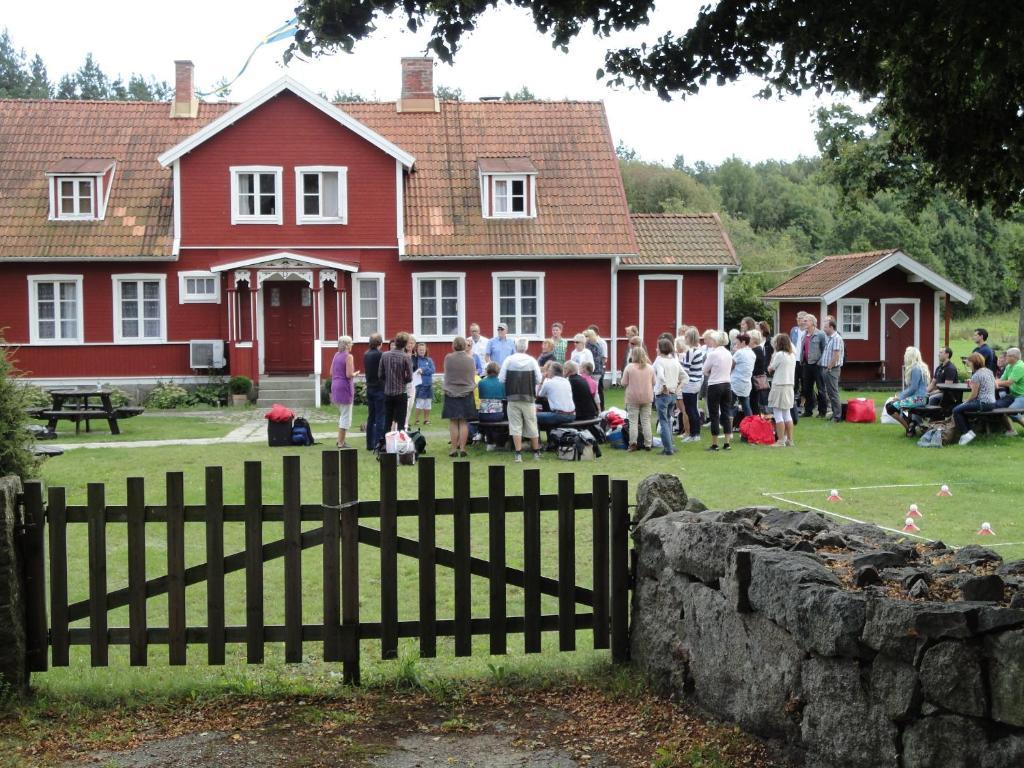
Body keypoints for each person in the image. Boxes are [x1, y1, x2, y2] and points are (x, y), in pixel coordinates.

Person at [498, 337, 544, 462]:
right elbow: (539, 379)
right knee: (531, 423)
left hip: (512, 397)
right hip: (528, 397)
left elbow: (501, 378)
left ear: (515, 346)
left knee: (515, 425)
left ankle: (518, 454)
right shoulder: (532, 361)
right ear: (526, 347)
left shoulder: (509, 360)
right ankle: (536, 452)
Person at [442, 337, 478, 457]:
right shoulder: (470, 359)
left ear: (453, 346)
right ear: (464, 346)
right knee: (463, 421)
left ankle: (453, 449)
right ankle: (462, 448)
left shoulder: (448, 358)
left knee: (453, 420)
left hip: (451, 391)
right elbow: (472, 376)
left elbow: (446, 372)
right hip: (466, 392)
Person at [884, 346, 931, 436]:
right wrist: (901, 396)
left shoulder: (915, 369)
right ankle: (911, 425)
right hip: (921, 398)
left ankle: (909, 428)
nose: (904, 356)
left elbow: (913, 388)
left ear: (910, 356)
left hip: (919, 399)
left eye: (906, 355)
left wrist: (899, 397)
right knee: (891, 406)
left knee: (890, 407)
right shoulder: (921, 367)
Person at [954, 352, 998, 445]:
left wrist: (965, 402)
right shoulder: (989, 371)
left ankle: (966, 433)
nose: (968, 364)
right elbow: (996, 386)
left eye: (969, 362)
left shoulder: (976, 375)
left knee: (956, 410)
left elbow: (973, 395)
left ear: (974, 362)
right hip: (992, 403)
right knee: (962, 410)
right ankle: (969, 432)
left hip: (983, 403)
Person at [702, 330, 734, 451]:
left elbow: (704, 370)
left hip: (715, 385)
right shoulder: (728, 353)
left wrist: (712, 372)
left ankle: (715, 444)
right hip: (727, 384)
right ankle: (727, 443)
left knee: (714, 413)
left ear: (716, 341)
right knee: (726, 412)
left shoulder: (713, 354)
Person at [620, 346, 656, 452]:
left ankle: (633, 444)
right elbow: (654, 382)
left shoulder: (629, 367)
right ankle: (648, 443)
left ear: (633, 355)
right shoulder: (650, 368)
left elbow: (623, 383)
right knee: (646, 421)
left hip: (632, 397)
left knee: (633, 422)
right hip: (647, 396)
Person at [653, 338, 683, 455]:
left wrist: (664, 386)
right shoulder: (674, 361)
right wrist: (677, 388)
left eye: (657, 347)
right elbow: (685, 377)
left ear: (661, 349)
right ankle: (671, 445)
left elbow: (660, 376)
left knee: (664, 421)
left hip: (663, 394)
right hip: (673, 394)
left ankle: (668, 449)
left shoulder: (660, 361)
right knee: (669, 420)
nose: (656, 349)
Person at [768, 333, 797, 447]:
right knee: (787, 413)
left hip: (779, 385)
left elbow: (771, 368)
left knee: (778, 413)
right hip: (789, 385)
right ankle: (789, 440)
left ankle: (780, 441)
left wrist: (773, 356)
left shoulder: (779, 354)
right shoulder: (792, 355)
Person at [380, 332, 413, 433]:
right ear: (405, 344)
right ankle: (399, 444)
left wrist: (388, 380)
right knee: (401, 423)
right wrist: (403, 380)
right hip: (400, 392)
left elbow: (380, 374)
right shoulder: (406, 357)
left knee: (387, 421)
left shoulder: (385, 355)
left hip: (388, 392)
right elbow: (410, 377)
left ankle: (386, 444)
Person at [331, 336, 357, 448]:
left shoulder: (336, 355)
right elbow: (349, 374)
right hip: (344, 387)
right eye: (351, 344)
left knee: (342, 414)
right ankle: (340, 442)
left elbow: (331, 372)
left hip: (335, 385)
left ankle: (340, 440)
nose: (352, 346)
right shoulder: (349, 356)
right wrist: (355, 374)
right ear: (347, 345)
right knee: (346, 416)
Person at [680, 327, 706, 442]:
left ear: (689, 338)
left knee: (690, 409)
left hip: (690, 383)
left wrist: (678, 363)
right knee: (693, 408)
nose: (684, 339)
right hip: (696, 382)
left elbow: (685, 369)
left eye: (686, 336)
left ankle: (693, 434)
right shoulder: (698, 350)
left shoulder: (690, 351)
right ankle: (695, 434)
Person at [800, 314, 828, 418]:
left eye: (806, 321)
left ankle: (822, 411)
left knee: (821, 389)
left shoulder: (820, 334)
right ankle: (808, 411)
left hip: (817, 365)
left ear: (812, 322)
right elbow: (803, 349)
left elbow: (825, 350)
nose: (804, 322)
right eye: (804, 320)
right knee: (807, 389)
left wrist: (820, 362)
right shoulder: (804, 334)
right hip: (806, 364)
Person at [994, 347, 1024, 435]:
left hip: (1022, 396)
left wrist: (996, 383)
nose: (1005, 358)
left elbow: (1009, 383)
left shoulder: (1020, 367)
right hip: (1013, 395)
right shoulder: (1009, 366)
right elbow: (1001, 379)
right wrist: (995, 382)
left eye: (1007, 356)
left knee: (1011, 411)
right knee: (997, 407)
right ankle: (1011, 431)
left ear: (1014, 357)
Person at [363, 333, 385, 450]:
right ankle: (378, 443)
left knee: (371, 417)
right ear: (380, 344)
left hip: (370, 387)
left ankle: (369, 444)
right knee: (380, 416)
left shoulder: (366, 354)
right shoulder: (381, 355)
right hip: (379, 388)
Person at [537, 362, 576, 430]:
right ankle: (550, 436)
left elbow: (539, 395)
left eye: (548, 370)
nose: (547, 372)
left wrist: (542, 380)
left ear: (552, 372)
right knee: (548, 414)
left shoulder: (549, 383)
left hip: (559, 415)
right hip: (572, 415)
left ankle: (534, 438)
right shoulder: (566, 381)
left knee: (532, 416)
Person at [477, 361, 506, 449]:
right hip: (497, 415)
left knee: (488, 418)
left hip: (483, 415)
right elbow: (504, 397)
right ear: (498, 371)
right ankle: (500, 441)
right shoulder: (501, 383)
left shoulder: (481, 382)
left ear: (487, 370)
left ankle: (489, 441)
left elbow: (481, 396)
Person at [821, 318, 845, 423]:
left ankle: (837, 416)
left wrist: (829, 367)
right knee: (830, 392)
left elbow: (836, 355)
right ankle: (835, 414)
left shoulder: (836, 338)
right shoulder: (829, 338)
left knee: (833, 392)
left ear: (831, 327)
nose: (824, 329)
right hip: (828, 368)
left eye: (825, 327)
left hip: (832, 369)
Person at [730, 332, 756, 423]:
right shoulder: (752, 353)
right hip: (746, 383)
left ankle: (729, 430)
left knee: (730, 406)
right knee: (746, 405)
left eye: (737, 343)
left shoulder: (739, 353)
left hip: (736, 382)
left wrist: (734, 352)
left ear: (743, 342)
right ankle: (751, 426)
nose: (736, 345)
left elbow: (731, 365)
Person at [411, 342, 435, 427]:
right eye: (420, 350)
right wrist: (423, 370)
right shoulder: (415, 360)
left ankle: (426, 420)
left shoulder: (429, 360)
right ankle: (416, 419)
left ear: (425, 350)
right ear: (416, 350)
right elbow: (416, 371)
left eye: (423, 350)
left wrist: (423, 370)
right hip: (420, 385)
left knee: (428, 403)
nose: (422, 351)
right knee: (420, 403)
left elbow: (432, 370)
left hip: (429, 385)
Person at [584, 328, 606, 410]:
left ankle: (598, 409)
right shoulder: (597, 344)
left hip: (594, 372)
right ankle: (598, 409)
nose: (585, 338)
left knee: (594, 391)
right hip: (598, 371)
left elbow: (593, 361)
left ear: (590, 337)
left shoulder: (591, 346)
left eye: (586, 336)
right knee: (596, 391)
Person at [748, 328, 768, 416]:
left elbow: (757, 368)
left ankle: (756, 420)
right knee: (753, 401)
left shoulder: (756, 351)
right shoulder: (757, 350)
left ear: (753, 340)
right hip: (754, 378)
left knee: (754, 402)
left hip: (754, 379)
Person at [674, 336, 690, 435]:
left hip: (681, 384)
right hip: (682, 384)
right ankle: (685, 430)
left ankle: (686, 431)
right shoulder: (683, 355)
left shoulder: (682, 356)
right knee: (683, 410)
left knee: (683, 410)